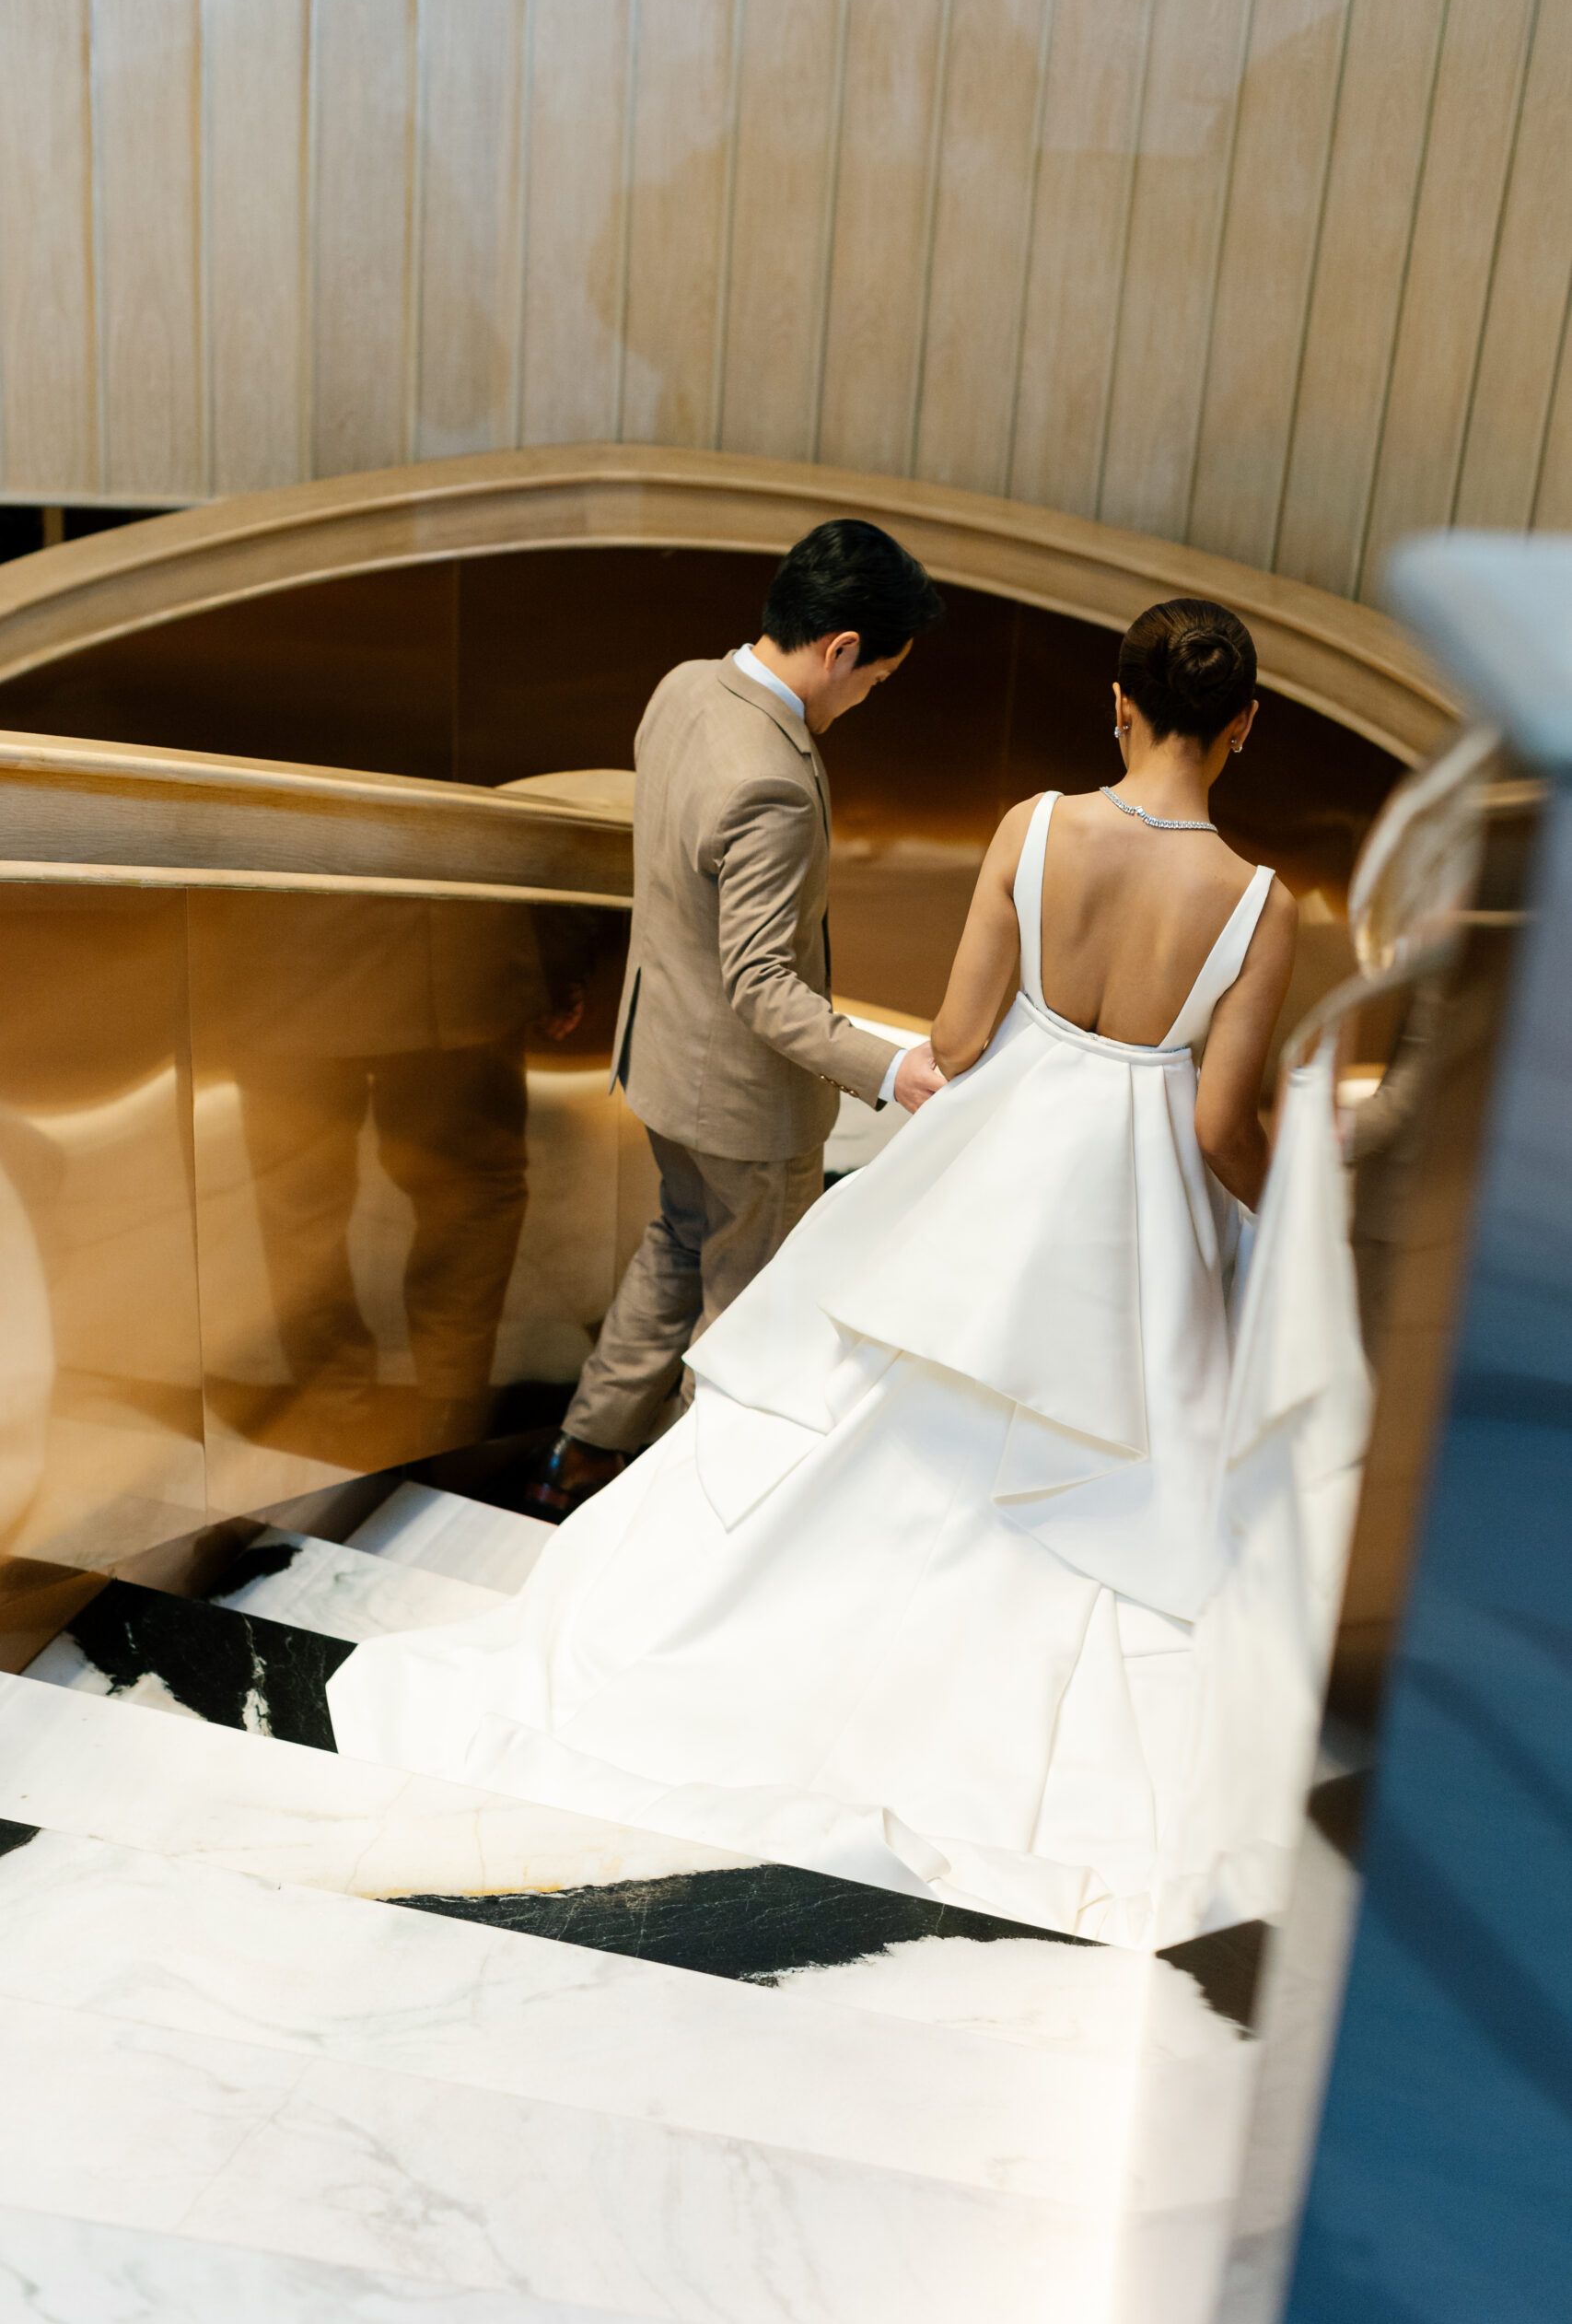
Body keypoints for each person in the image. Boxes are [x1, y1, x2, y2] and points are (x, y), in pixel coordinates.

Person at [329, 599, 1303, 1949]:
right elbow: (1218, 1125)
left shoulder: (1032, 829)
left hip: (995, 1167)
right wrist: (1290, 1215)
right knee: (1107, 1467)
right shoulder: (1259, 904)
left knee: (863, 1419)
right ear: (1242, 724)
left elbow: (957, 1035)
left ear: (1119, 705)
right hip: (1130, 1217)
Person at [523, 520, 947, 1519]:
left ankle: (579, 1455)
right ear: (841, 649)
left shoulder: (682, 688)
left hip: (660, 1062)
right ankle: (682, 1519)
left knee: (677, 1242)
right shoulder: (775, 781)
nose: (869, 697)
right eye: (879, 678)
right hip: (745, 1108)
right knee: (748, 1321)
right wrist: (892, 1070)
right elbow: (762, 984)